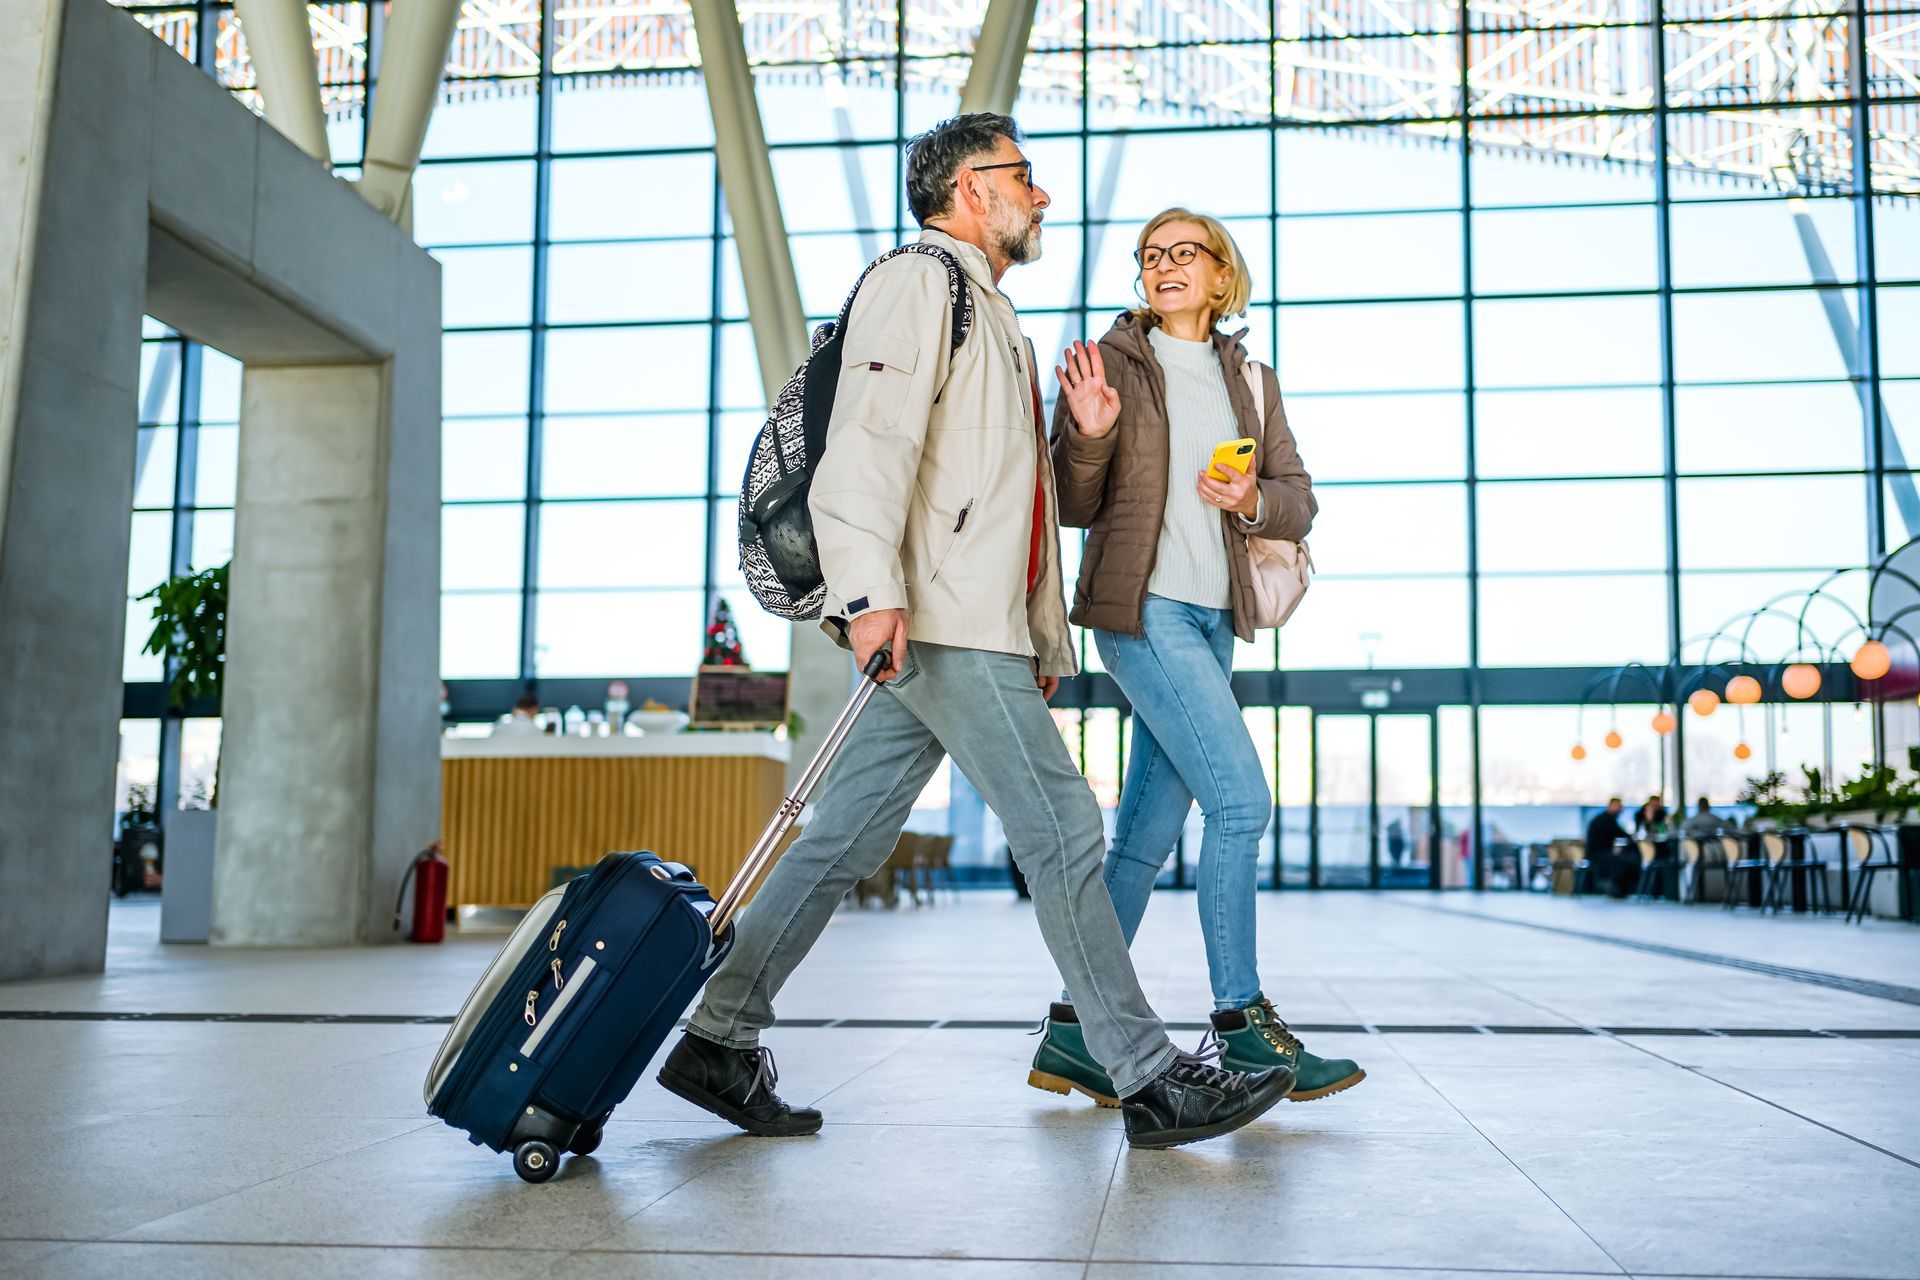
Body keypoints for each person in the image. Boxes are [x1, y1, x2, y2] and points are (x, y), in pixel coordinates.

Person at [656, 115, 1293, 1151]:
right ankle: (1145, 1073)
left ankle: (717, 1034)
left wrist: (1040, 637)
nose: (1041, 196)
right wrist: (868, 595)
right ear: (966, 191)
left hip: (961, 620)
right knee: (1067, 831)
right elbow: (870, 447)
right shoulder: (921, 284)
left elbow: (1014, 505)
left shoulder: (989, 311)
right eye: (1023, 177)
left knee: (846, 837)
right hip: (937, 620)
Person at [1030, 206, 1362, 1109]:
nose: (1165, 265)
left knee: (1141, 841)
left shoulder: (1251, 376)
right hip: (1141, 614)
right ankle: (1242, 1026)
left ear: (1222, 275)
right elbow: (1069, 497)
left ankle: (1072, 1035)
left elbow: (1299, 500)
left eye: (1185, 252)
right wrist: (1090, 429)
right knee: (1243, 805)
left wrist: (1254, 496)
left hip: (1215, 621)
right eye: (1150, 256)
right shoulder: (1110, 364)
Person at [1585, 797, 1638, 897]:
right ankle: (1617, 888)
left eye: (1620, 807)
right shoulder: (1606, 820)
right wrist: (1632, 838)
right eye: (1617, 806)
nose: (1619, 809)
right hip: (1598, 854)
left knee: (1624, 860)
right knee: (1627, 862)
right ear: (1609, 806)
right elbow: (1621, 833)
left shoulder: (1605, 818)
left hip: (1599, 853)